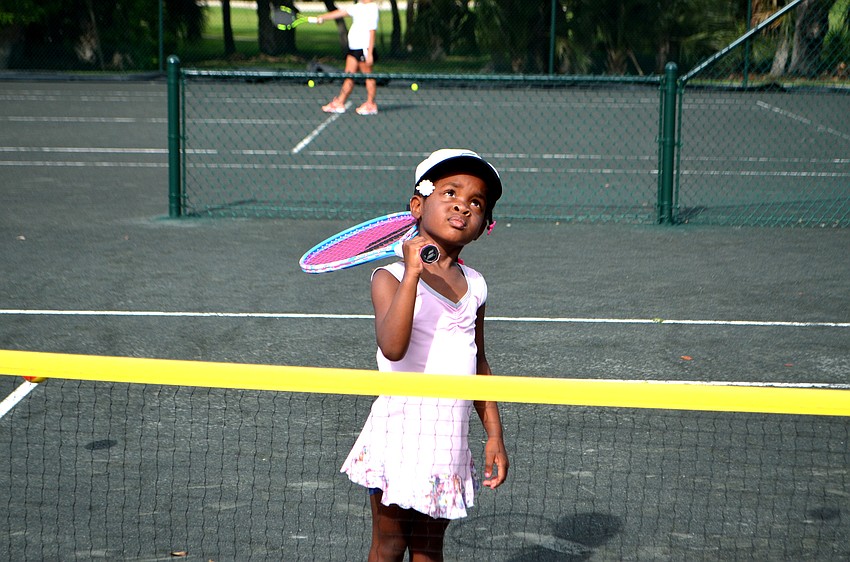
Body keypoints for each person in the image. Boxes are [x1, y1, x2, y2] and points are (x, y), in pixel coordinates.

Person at [341, 149, 510, 561]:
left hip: (447, 441)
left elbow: (479, 363)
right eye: (450, 192)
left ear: (484, 225)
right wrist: (413, 271)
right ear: (418, 205)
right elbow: (392, 347)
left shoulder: (477, 285)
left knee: (430, 549)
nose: (462, 205)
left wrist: (495, 435)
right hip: (399, 436)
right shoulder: (390, 276)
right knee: (389, 544)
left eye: (476, 202)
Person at [313, 0, 379, 116]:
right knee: (349, 76)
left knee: (368, 76)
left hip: (364, 48)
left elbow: (372, 31)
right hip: (353, 48)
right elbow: (340, 12)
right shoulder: (358, 7)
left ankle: (371, 104)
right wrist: (322, 17)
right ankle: (340, 102)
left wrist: (369, 53)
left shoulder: (372, 8)